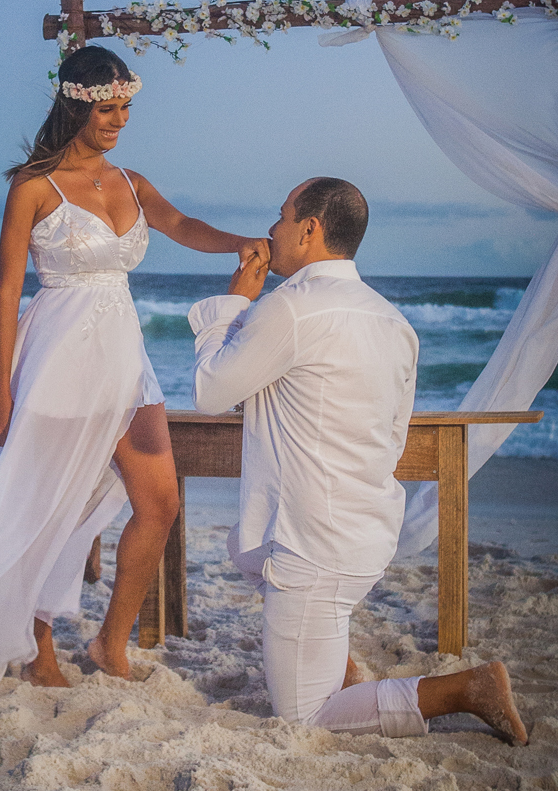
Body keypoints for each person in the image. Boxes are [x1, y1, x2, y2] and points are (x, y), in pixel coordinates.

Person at [0, 45, 268, 702]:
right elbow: (6, 294)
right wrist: (2, 389)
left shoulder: (133, 182)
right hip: (57, 359)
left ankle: (109, 641)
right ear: (76, 104)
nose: (120, 120)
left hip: (125, 357)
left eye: (126, 108)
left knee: (160, 502)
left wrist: (236, 242)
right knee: (47, 508)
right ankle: (39, 647)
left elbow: (180, 225)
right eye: (108, 109)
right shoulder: (34, 186)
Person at [189, 177, 528, 744]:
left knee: (305, 717)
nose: (270, 230)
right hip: (367, 533)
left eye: (280, 217)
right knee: (251, 554)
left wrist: (234, 305)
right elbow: (393, 436)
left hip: (313, 545)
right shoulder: (393, 321)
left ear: (309, 229)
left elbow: (210, 391)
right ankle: (337, 662)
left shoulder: (290, 310)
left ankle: (467, 688)